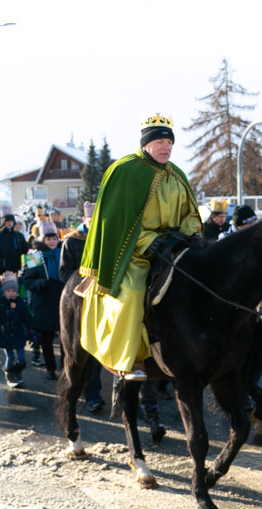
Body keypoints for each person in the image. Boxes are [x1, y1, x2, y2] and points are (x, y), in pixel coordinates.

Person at [76, 113, 201, 379]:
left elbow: (191, 213)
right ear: (146, 144)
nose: (167, 147)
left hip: (174, 248)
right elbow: (117, 222)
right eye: (160, 142)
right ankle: (126, 359)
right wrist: (149, 240)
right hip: (135, 253)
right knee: (132, 291)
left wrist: (188, 235)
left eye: (170, 142)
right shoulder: (124, 170)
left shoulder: (176, 174)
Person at [58, 202, 105, 413]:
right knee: (78, 350)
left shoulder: (104, 238)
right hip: (78, 301)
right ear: (85, 220)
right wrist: (83, 283)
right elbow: (64, 272)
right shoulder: (72, 241)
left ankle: (95, 394)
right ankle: (81, 393)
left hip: (102, 298)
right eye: (91, 222)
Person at [21, 221, 65, 380]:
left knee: (65, 337)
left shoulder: (63, 252)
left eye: (54, 238)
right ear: (42, 239)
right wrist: (40, 283)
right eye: (48, 239)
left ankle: (66, 368)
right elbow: (27, 280)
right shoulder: (35, 257)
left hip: (62, 299)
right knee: (46, 339)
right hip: (44, 301)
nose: (52, 241)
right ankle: (50, 368)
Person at [0, 272, 37, 387]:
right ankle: (10, 374)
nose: (11, 294)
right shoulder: (0, 303)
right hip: (5, 334)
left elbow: (27, 318)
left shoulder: (20, 303)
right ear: (4, 291)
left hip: (18, 333)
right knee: (10, 357)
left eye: (13, 291)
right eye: (8, 291)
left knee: (21, 358)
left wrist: (32, 332)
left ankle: (18, 373)